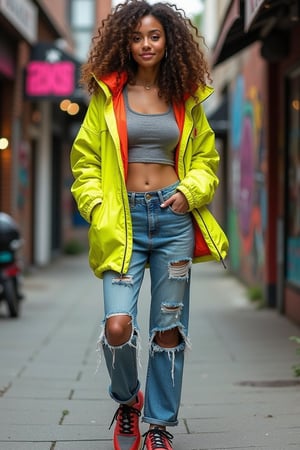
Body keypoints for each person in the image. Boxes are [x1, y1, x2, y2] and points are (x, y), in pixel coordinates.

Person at [70, 1, 229, 449]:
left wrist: (190, 192)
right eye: (138, 36)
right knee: (117, 325)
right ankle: (127, 400)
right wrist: (98, 207)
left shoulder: (186, 98)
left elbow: (206, 162)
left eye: (154, 36)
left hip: (173, 218)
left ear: (168, 42)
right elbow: (84, 164)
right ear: (125, 41)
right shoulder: (107, 98)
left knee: (168, 328)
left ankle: (159, 427)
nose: (145, 44)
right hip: (122, 223)